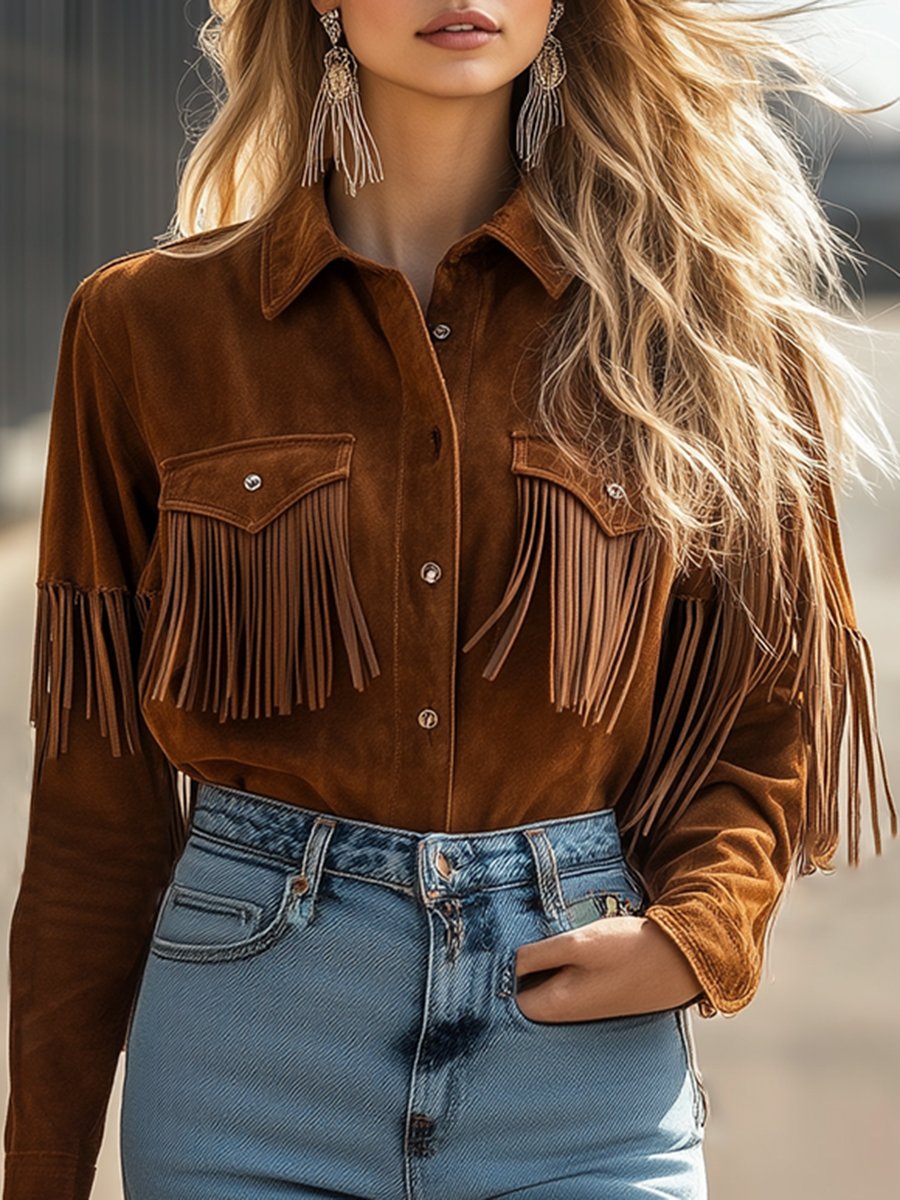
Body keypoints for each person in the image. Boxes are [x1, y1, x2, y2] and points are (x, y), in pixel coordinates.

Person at [4, 2, 899, 1198]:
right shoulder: (145, 329)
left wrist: (698, 935)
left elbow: (767, 720)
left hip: (578, 1078)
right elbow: (95, 802)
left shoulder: (702, 332)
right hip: (242, 1058)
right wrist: (42, 1164)